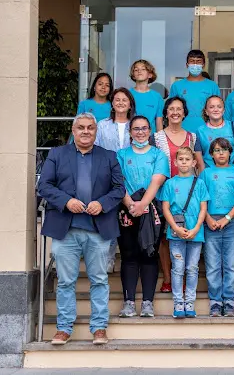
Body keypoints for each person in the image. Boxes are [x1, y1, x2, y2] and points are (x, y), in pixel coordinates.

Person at [38, 112, 125, 346]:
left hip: (98, 230)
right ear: (73, 130)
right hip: (65, 229)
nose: (86, 131)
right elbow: (44, 186)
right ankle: (64, 328)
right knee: (66, 282)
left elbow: (119, 189)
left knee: (99, 280)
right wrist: (66, 201)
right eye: (81, 127)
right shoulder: (57, 154)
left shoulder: (109, 156)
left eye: (90, 128)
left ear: (96, 131)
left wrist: (102, 203)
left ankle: (99, 328)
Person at [116, 116, 167, 318]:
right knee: (129, 256)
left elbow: (157, 180)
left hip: (152, 211)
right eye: (136, 129)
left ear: (150, 131)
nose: (140, 132)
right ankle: (129, 302)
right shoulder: (121, 155)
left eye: (144, 128)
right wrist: (130, 204)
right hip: (127, 210)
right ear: (130, 132)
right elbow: (118, 182)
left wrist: (143, 204)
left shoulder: (158, 155)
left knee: (149, 255)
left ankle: (147, 303)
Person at [200, 138, 234, 317]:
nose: (221, 153)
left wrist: (227, 218)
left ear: (230, 153)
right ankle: (215, 302)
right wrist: (208, 218)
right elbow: (200, 198)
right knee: (213, 265)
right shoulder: (205, 174)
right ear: (211, 155)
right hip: (210, 222)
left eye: (224, 150)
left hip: (232, 223)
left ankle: (229, 302)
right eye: (217, 150)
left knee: (231, 265)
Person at [154, 96, 198, 292]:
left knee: (186, 233)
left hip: (188, 196)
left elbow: (198, 165)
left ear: (184, 113)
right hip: (164, 194)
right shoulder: (157, 138)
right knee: (166, 237)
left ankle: (184, 279)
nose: (175, 112)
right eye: (171, 109)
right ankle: (167, 278)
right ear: (166, 113)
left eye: (179, 109)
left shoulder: (192, 137)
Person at [161, 146, 210, 318]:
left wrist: (196, 228)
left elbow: (203, 208)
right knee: (178, 267)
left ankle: (189, 301)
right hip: (176, 233)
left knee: (192, 268)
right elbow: (165, 208)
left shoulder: (200, 183)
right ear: (175, 162)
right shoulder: (170, 183)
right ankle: (178, 303)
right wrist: (175, 227)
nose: (184, 163)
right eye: (180, 159)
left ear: (194, 162)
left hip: (195, 232)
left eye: (187, 160)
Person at [94, 87, 136, 273]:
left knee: (129, 220)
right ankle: (108, 260)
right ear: (112, 103)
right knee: (109, 219)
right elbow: (95, 151)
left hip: (132, 179)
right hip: (107, 179)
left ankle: (131, 261)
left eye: (124, 100)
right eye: (117, 99)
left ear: (130, 104)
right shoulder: (102, 125)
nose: (120, 103)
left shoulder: (136, 124)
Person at [169, 50, 221, 134]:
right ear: (187, 65)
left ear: (203, 65)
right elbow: (170, 111)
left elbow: (218, 112)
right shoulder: (177, 86)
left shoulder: (212, 86)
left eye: (198, 62)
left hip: (207, 133)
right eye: (192, 61)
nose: (195, 64)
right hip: (182, 132)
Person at [194, 95, 234, 172]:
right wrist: (203, 177)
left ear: (223, 110)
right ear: (206, 111)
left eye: (219, 107)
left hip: (233, 173)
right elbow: (200, 162)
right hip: (211, 174)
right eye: (211, 107)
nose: (216, 110)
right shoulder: (200, 131)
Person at [129, 59, 164, 132]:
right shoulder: (127, 94)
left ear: (150, 75)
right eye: (136, 70)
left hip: (151, 136)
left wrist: (160, 138)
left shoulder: (157, 97)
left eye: (143, 69)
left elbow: (159, 122)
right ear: (133, 76)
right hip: (130, 135)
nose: (139, 71)